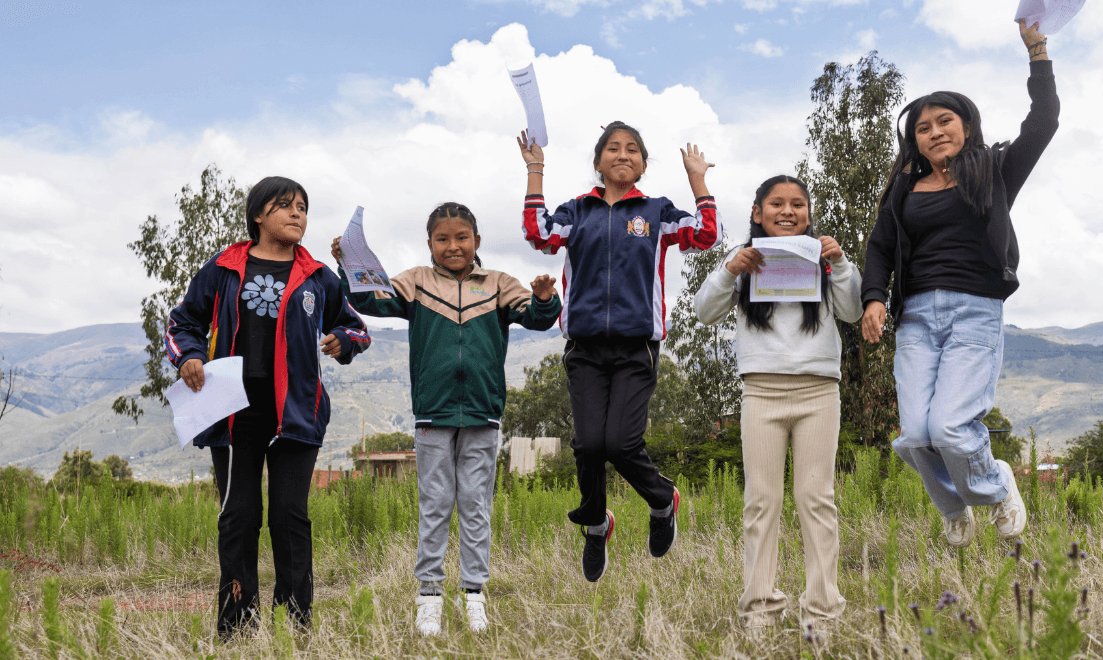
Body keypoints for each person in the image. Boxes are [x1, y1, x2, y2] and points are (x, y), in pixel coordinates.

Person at [860, 20, 1059, 548]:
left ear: (966, 125)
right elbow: (879, 247)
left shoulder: (994, 171)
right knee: (915, 436)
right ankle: (953, 506)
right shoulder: (903, 189)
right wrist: (874, 298)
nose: (934, 132)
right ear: (915, 141)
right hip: (916, 318)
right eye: (922, 127)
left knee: (950, 427)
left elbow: (1043, 123)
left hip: (974, 312)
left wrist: (1038, 52)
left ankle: (997, 486)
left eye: (944, 121)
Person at [331, 202, 559, 636]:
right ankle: (429, 597)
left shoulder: (498, 283)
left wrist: (546, 298)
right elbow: (370, 299)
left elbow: (535, 317)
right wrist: (348, 265)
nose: (452, 246)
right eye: (442, 239)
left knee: (476, 508)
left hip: (482, 414)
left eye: (461, 237)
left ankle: (474, 596)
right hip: (432, 415)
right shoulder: (416, 282)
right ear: (429, 243)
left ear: (477, 241)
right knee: (434, 506)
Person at [167, 176, 371, 638]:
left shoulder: (318, 276)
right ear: (259, 214)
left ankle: (293, 625)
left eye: (303, 206)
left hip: (296, 412)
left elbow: (356, 327)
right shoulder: (223, 268)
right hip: (232, 413)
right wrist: (189, 356)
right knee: (238, 517)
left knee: (289, 517)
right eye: (285, 205)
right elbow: (182, 323)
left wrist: (344, 341)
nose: (297, 213)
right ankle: (237, 626)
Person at [517, 121, 721, 581]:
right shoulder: (577, 211)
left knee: (621, 444)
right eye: (612, 148)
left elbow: (706, 236)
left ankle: (662, 500)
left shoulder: (656, 211)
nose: (622, 154)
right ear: (598, 161)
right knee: (589, 445)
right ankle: (595, 526)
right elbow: (538, 234)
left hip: (636, 347)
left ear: (643, 165)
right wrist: (535, 170)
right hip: (584, 347)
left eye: (632, 149)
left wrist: (697, 180)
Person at [695, 175, 861, 633]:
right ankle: (759, 608)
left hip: (818, 391)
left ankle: (822, 611)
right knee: (761, 501)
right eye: (776, 204)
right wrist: (730, 270)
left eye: (798, 205)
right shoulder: (743, 261)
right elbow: (704, 312)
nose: (788, 212)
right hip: (761, 392)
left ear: (808, 213)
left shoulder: (824, 258)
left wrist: (840, 262)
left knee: (816, 498)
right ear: (757, 212)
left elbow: (851, 311)